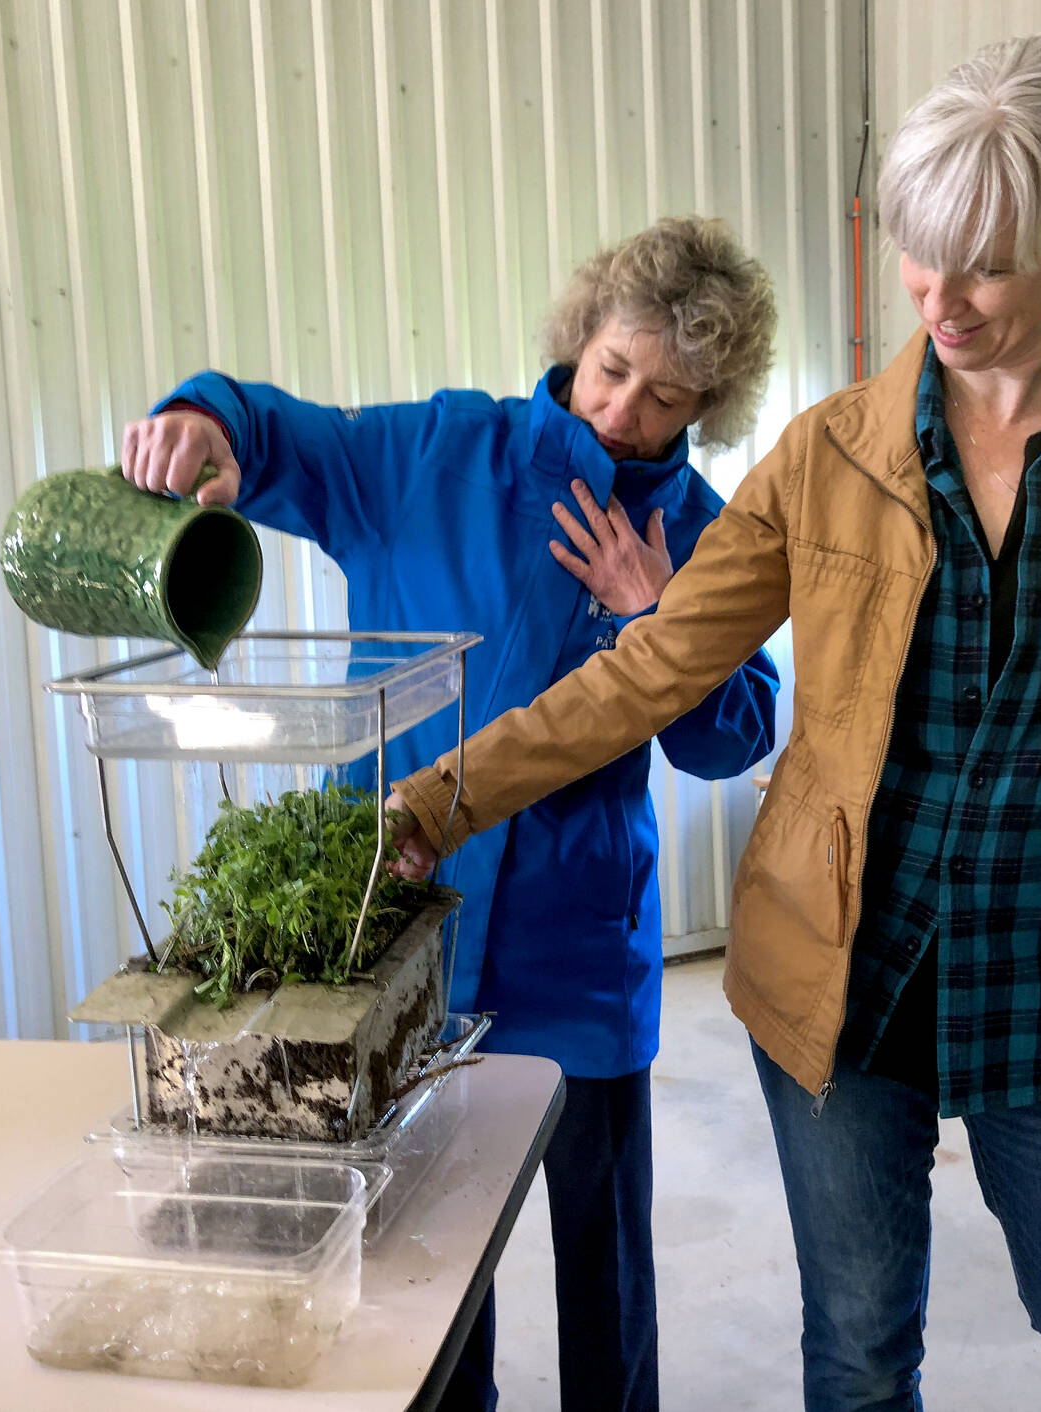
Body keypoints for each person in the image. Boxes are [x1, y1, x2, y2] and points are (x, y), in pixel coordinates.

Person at [385, 35, 1041, 1412]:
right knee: (860, 1349)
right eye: (920, 257)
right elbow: (646, 677)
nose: (942, 301)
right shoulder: (826, 458)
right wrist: (434, 800)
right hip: (840, 978)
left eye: (988, 264)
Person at [119, 216, 780, 1412]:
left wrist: (658, 610)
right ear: (580, 333)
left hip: (581, 950)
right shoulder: (435, 452)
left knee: (605, 1252)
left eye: (668, 397)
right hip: (398, 930)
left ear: (707, 409)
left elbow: (736, 735)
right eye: (615, 367)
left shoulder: (704, 531)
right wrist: (205, 417)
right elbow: (279, 439)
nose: (624, 411)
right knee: (427, 1251)